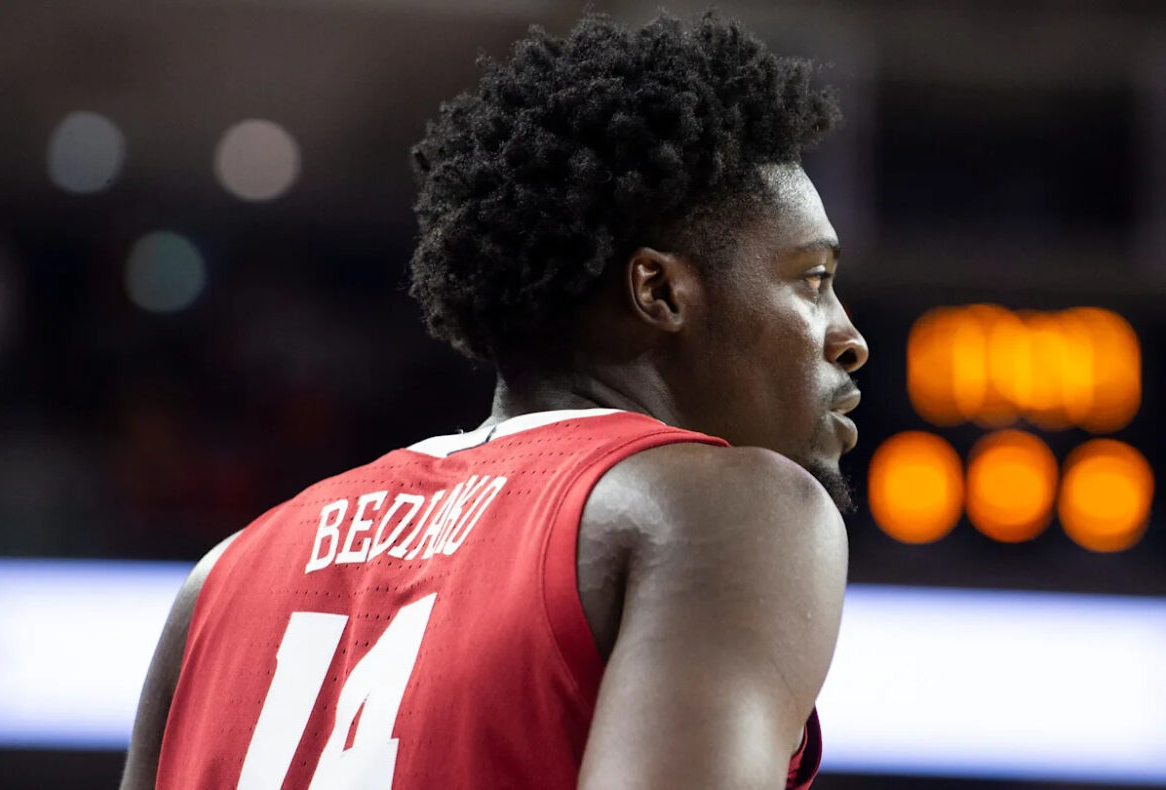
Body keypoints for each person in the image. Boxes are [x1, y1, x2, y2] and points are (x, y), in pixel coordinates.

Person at [122, 10, 867, 790]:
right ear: (658, 291)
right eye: (812, 281)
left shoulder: (219, 579)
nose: (849, 337)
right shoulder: (729, 512)